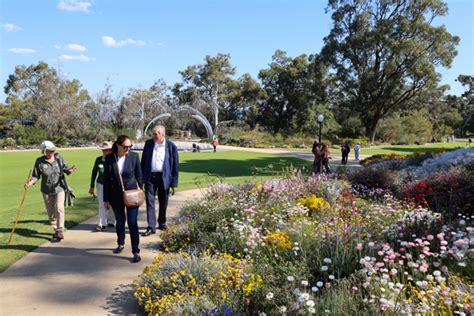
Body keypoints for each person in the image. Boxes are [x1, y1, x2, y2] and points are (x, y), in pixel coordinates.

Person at [24, 141, 76, 241]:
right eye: (49, 151)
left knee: (59, 208)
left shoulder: (59, 158)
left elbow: (66, 169)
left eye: (53, 150)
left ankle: (60, 229)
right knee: (51, 212)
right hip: (46, 190)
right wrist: (29, 183)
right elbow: (36, 176)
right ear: (44, 151)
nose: (52, 152)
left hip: (59, 188)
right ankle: (56, 229)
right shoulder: (39, 161)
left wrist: (70, 170)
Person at [103, 135, 143, 263]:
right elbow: (106, 180)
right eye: (125, 147)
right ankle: (120, 243)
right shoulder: (110, 158)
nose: (127, 149)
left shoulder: (134, 157)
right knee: (120, 222)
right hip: (115, 196)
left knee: (132, 223)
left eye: (130, 146)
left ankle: (136, 251)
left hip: (131, 195)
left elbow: (139, 175)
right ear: (118, 146)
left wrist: (141, 191)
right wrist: (106, 199)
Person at [141, 125, 179, 235]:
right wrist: (141, 178)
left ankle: (162, 223)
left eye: (156, 134)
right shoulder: (148, 144)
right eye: (153, 134)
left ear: (163, 134)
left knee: (164, 202)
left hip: (164, 178)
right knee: (150, 202)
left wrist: (173, 183)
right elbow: (143, 161)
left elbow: (175, 166)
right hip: (150, 177)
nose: (154, 136)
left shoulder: (171, 146)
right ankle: (151, 227)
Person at [89, 141, 116, 231]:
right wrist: (92, 186)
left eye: (107, 150)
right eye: (103, 150)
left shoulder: (114, 159)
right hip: (101, 184)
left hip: (112, 184)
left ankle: (111, 221)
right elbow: (94, 173)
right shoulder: (99, 160)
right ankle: (101, 223)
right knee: (101, 204)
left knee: (112, 203)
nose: (105, 152)